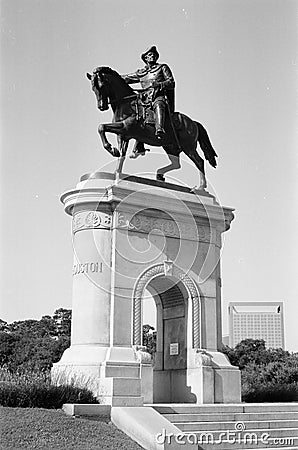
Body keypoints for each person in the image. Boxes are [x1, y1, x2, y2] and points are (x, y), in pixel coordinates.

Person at [122, 46, 175, 158]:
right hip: (144, 99)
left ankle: (159, 128)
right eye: (149, 55)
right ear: (145, 58)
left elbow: (171, 82)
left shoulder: (162, 67)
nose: (152, 56)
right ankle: (139, 146)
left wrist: (160, 85)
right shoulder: (142, 72)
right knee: (135, 116)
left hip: (158, 96)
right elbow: (126, 78)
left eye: (154, 55)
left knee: (158, 104)